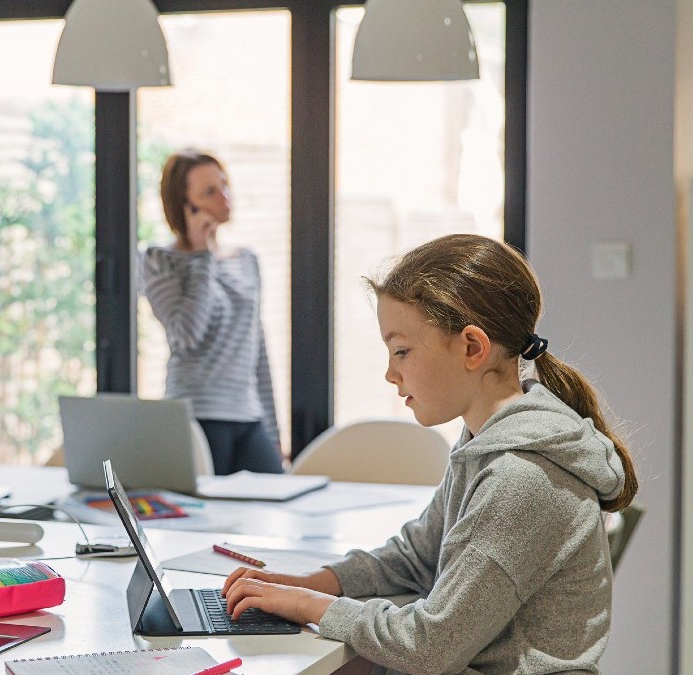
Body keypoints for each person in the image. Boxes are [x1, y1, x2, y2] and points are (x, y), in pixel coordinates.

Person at [222, 233, 639, 674]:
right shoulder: (487, 441)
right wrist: (316, 583)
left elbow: (430, 645)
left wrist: (312, 606)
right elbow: (418, 556)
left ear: (472, 348)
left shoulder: (523, 477)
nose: (389, 373)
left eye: (401, 351)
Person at [139, 150, 284, 475]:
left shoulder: (246, 259)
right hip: (196, 416)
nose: (225, 197)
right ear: (184, 205)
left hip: (247, 414)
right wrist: (203, 256)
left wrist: (274, 432)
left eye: (224, 185)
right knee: (205, 520)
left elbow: (256, 348)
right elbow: (186, 336)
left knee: (277, 501)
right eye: (209, 192)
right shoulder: (159, 260)